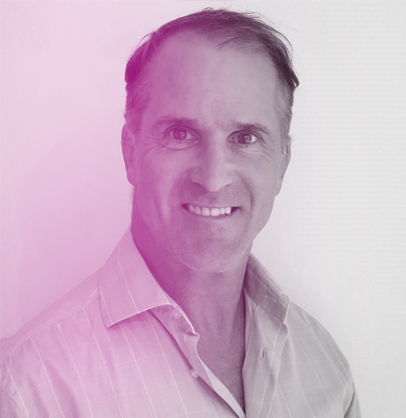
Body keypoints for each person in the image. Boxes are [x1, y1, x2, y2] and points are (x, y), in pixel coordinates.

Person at [0, 8, 360, 418]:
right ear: (130, 152)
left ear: (282, 163)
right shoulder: (30, 389)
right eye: (180, 133)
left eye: (245, 137)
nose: (213, 179)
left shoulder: (326, 370)